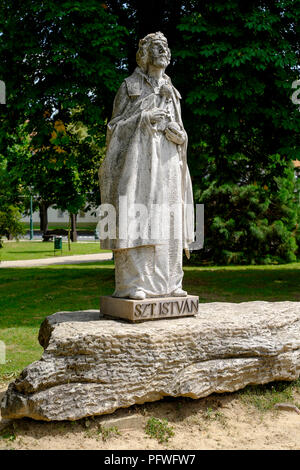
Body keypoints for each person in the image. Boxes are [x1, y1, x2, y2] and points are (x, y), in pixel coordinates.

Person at [99, 32, 194, 300]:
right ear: (144, 54)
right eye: (157, 47)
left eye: (165, 46)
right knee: (139, 218)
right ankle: (133, 284)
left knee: (171, 218)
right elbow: (113, 130)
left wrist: (181, 137)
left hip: (168, 165)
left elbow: (182, 132)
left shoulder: (173, 92)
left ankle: (171, 282)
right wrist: (144, 117)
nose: (163, 50)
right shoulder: (129, 86)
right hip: (140, 167)